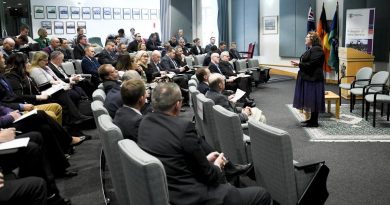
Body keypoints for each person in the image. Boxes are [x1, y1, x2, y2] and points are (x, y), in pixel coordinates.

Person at [138, 82, 271, 205]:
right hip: (194, 196)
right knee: (262, 194)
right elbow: (210, 175)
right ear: (178, 104)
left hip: (169, 189)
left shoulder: (145, 122)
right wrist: (218, 165)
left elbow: (173, 157)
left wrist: (205, 159)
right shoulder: (183, 128)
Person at [292, 31, 325, 127]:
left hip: (314, 79)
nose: (305, 38)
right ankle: (311, 120)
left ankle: (314, 122)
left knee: (314, 99)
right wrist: (299, 63)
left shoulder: (317, 50)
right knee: (311, 99)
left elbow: (312, 64)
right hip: (309, 77)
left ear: (312, 40)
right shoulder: (311, 49)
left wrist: (299, 64)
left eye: (307, 37)